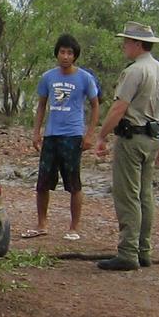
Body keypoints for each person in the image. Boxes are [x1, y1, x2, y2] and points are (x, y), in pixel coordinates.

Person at [94, 21, 159, 271]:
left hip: (132, 138)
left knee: (128, 194)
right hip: (152, 138)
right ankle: (144, 250)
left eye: (127, 42)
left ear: (138, 44)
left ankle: (128, 252)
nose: (124, 46)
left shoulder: (134, 71)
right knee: (145, 194)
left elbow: (120, 106)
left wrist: (102, 135)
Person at [24, 34, 99, 241]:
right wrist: (36, 132)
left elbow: (95, 105)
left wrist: (90, 134)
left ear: (75, 56)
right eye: (62, 52)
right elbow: (41, 106)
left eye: (69, 53)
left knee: (73, 183)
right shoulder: (48, 77)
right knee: (43, 183)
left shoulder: (85, 78)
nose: (65, 56)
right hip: (51, 135)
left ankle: (74, 227)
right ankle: (42, 224)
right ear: (57, 53)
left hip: (73, 135)